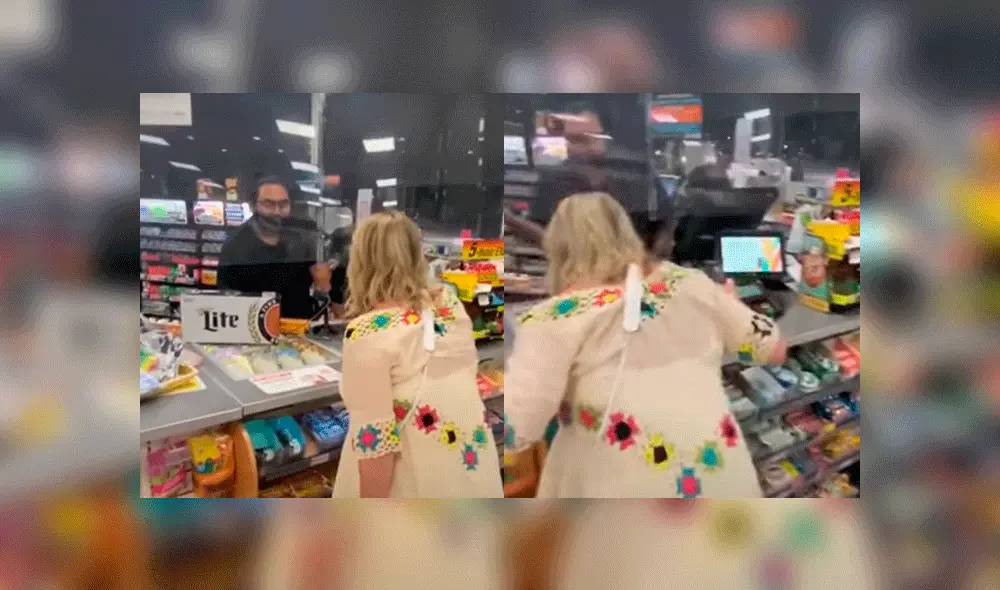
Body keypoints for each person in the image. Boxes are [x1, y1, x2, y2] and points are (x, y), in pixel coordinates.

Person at [504, 192, 788, 498]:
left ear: (557, 251)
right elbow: (772, 351)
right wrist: (731, 309)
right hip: (723, 482)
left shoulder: (550, 320)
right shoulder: (692, 283)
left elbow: (519, 431)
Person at [332, 210, 503, 498]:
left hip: (413, 481)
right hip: (468, 472)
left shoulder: (366, 333)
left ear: (360, 261)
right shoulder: (449, 306)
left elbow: (377, 446)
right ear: (416, 254)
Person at [218, 177, 345, 319]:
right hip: (252, 329)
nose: (277, 212)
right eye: (269, 204)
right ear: (254, 206)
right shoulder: (236, 246)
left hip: (299, 330)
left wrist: (324, 285)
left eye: (283, 205)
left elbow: (330, 300)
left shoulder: (301, 240)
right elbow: (227, 303)